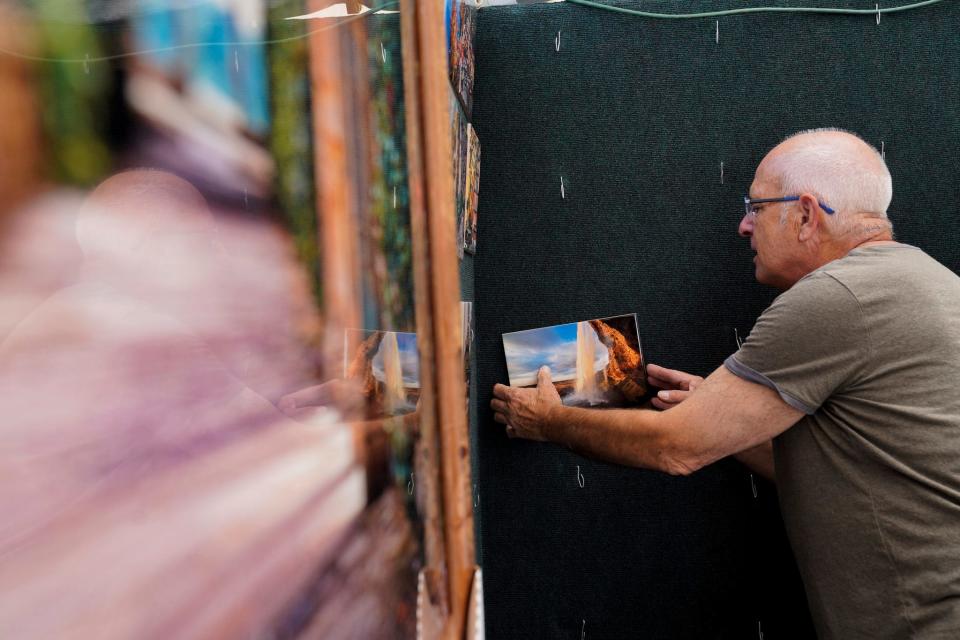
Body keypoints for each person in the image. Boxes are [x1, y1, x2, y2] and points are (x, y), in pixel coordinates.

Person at [491, 128, 960, 638]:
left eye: (755, 207)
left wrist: (550, 421)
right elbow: (852, 465)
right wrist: (725, 419)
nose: (743, 226)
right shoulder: (929, 280)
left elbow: (677, 450)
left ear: (805, 214)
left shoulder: (835, 297)